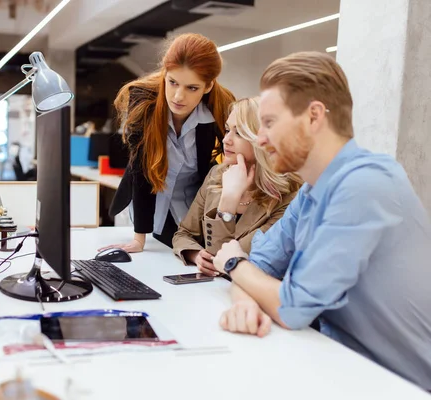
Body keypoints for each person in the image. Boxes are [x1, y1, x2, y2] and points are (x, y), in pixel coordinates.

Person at [212, 51, 431, 390]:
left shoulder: (366, 184)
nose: (261, 138)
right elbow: (260, 265)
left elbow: (292, 307)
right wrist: (245, 302)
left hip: (404, 386)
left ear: (314, 116)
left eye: (269, 123)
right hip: (344, 370)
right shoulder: (311, 193)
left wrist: (233, 264)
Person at [102, 33, 236, 252]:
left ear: (208, 86)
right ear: (165, 74)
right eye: (172, 82)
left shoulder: (221, 108)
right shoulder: (143, 102)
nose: (178, 96)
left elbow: (226, 163)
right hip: (145, 205)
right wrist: (139, 239)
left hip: (191, 207)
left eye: (192, 88)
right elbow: (141, 171)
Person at [172, 97, 301, 275]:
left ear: (263, 140)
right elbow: (184, 233)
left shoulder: (288, 196)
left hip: (246, 293)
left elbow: (228, 261)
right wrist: (195, 254)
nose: (226, 140)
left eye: (239, 133)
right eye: (227, 130)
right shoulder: (217, 175)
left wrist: (228, 203)